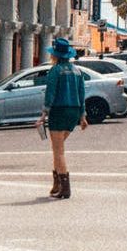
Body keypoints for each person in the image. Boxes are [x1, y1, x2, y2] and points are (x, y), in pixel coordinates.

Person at [41, 38, 87, 200]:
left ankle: (65, 186)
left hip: (59, 111)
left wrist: (44, 114)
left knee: (59, 151)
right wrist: (82, 116)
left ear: (56, 55)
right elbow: (82, 94)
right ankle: (57, 183)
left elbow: (50, 93)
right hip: (73, 112)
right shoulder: (77, 71)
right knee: (57, 149)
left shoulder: (55, 70)